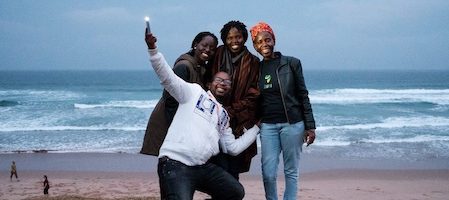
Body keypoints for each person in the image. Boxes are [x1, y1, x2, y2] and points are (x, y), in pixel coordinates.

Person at [145, 31, 260, 200]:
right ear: (209, 83)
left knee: (235, 192)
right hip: (176, 163)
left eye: (227, 82)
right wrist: (153, 50)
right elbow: (167, 78)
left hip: (201, 168)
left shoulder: (223, 116)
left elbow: (233, 148)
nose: (223, 83)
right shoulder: (193, 92)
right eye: (219, 80)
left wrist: (257, 127)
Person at [250, 22, 316, 200]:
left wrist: (310, 126)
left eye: (267, 39)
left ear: (274, 40)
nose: (264, 44)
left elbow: (303, 95)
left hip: (293, 124)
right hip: (268, 127)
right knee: (268, 173)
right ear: (255, 46)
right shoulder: (256, 68)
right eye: (258, 42)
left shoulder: (292, 63)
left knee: (291, 171)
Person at [141, 31, 218, 156]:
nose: (208, 50)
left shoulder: (200, 67)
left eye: (212, 48)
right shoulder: (184, 66)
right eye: (204, 45)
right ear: (195, 45)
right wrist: (178, 129)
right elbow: (170, 100)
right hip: (168, 122)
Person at [210, 20, 260, 180]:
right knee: (215, 163)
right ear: (224, 39)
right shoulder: (217, 54)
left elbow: (254, 94)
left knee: (234, 166)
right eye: (229, 37)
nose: (234, 41)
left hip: (239, 119)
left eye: (238, 37)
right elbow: (206, 78)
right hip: (214, 117)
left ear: (244, 38)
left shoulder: (253, 61)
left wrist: (231, 110)